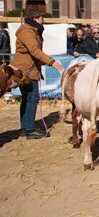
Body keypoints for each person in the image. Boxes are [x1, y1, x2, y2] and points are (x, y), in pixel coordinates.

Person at [10, 10, 64, 139]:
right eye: (42, 18)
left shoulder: (31, 30)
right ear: (35, 18)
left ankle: (25, 127)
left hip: (26, 68)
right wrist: (51, 62)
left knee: (27, 98)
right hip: (25, 70)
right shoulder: (27, 31)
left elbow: (32, 53)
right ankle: (30, 129)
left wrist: (40, 65)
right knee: (32, 98)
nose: (43, 20)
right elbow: (34, 50)